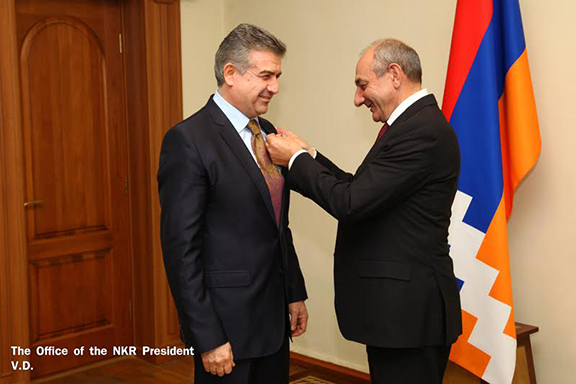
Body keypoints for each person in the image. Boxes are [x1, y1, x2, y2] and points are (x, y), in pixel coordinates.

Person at [266, 39, 462, 383]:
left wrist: (294, 161)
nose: (358, 98)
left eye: (362, 85)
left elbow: (351, 203)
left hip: (409, 317)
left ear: (395, 75)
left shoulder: (422, 131)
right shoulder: (411, 126)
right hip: (399, 315)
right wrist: (309, 155)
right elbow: (362, 190)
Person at [158, 23, 308, 384]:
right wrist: (207, 337)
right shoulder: (189, 140)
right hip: (226, 328)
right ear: (230, 73)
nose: (275, 86)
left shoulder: (269, 134)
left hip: (272, 324)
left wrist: (294, 293)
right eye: (266, 75)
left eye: (278, 76)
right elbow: (181, 251)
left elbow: (276, 224)